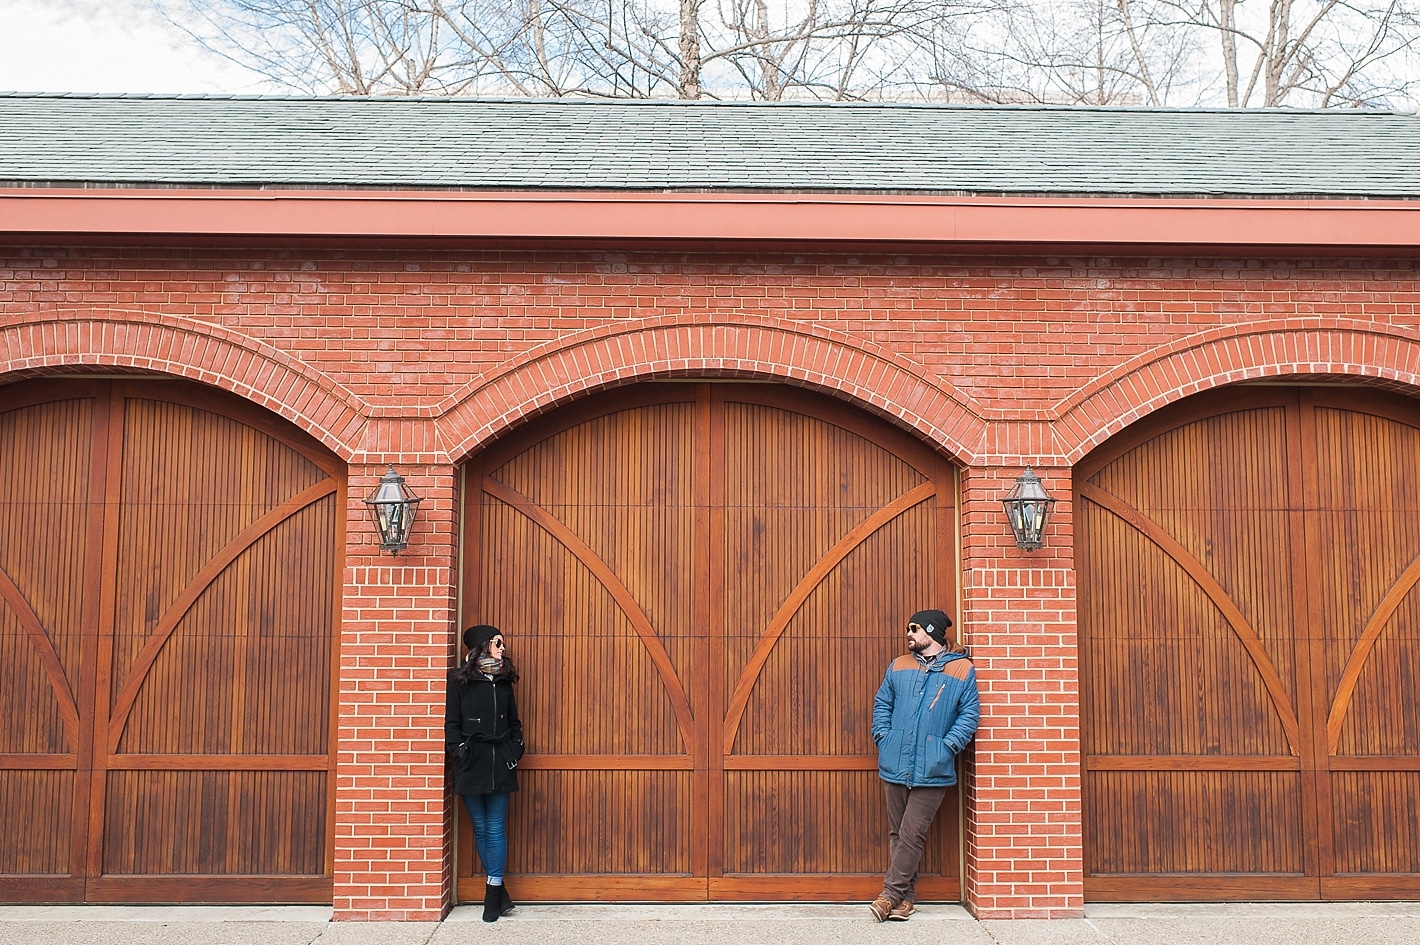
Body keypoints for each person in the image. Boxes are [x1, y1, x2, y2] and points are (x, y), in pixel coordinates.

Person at [869, 608, 979, 922]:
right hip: (895, 761)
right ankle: (906, 899)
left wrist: (946, 748)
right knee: (898, 833)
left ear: (931, 632)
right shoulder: (899, 666)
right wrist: (884, 737)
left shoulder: (960, 670)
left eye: (914, 629)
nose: (909, 635)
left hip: (934, 768)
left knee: (911, 834)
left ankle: (889, 895)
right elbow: (882, 704)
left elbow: (968, 717)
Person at [446, 623, 525, 923]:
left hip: (500, 762)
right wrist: (460, 751)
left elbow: (514, 723)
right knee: (480, 828)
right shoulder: (457, 680)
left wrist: (515, 749)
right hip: (471, 763)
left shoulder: (503, 680)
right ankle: (499, 891)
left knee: (495, 828)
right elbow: (451, 724)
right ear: (481, 646)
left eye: (501, 643)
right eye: (497, 643)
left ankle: (492, 895)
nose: (502, 648)